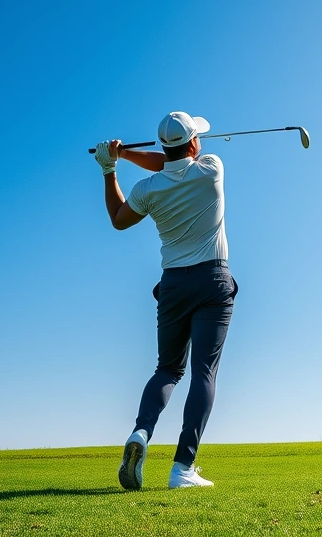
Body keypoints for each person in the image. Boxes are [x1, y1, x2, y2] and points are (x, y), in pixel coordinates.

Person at [93, 111, 238, 490]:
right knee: (203, 372)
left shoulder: (147, 189)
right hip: (211, 281)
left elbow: (119, 219)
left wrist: (111, 167)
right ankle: (182, 469)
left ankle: (141, 433)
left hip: (172, 285)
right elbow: (173, 162)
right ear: (193, 144)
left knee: (168, 371)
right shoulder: (211, 168)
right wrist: (123, 156)